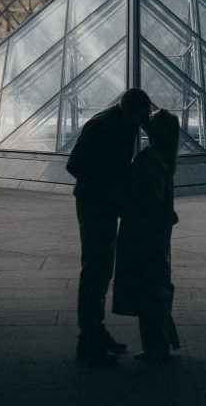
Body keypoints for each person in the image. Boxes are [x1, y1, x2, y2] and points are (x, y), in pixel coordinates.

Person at [66, 87, 152, 365]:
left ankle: (96, 331)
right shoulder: (101, 125)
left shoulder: (123, 121)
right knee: (95, 268)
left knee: (102, 269)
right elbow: (74, 164)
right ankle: (88, 341)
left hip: (104, 202)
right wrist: (107, 188)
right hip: (94, 204)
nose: (143, 124)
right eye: (142, 119)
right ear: (132, 111)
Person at [112, 108, 181, 363]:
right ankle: (161, 342)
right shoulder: (164, 155)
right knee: (155, 286)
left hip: (143, 231)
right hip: (155, 231)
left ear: (157, 129)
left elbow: (149, 197)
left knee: (148, 288)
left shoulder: (151, 157)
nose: (146, 119)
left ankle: (156, 347)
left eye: (151, 118)